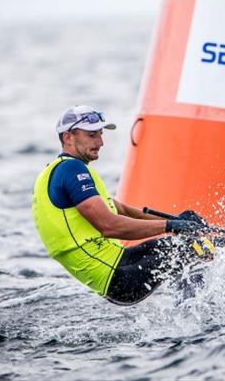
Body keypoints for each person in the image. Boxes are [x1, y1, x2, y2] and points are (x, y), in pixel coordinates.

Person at [32, 104, 214, 305]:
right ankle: (200, 315)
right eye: (91, 135)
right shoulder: (71, 170)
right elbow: (110, 226)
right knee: (195, 248)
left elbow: (123, 210)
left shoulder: (61, 170)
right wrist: (171, 226)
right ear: (68, 137)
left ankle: (191, 309)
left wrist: (175, 219)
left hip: (119, 260)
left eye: (100, 134)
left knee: (187, 244)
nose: (100, 142)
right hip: (118, 278)